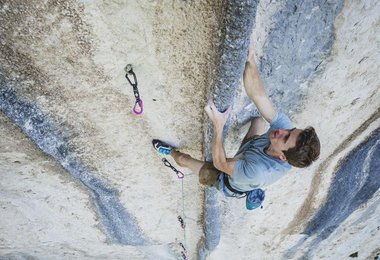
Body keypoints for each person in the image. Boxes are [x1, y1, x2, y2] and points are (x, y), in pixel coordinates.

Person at [152, 49, 320, 197]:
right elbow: (259, 96)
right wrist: (250, 61)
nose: (282, 130)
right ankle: (248, 147)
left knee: (184, 159)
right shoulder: (285, 131)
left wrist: (218, 125)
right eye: (291, 130)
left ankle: (170, 152)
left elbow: (221, 163)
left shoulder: (256, 172)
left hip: (226, 178)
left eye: (285, 138)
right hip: (250, 152)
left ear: (283, 157)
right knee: (259, 120)